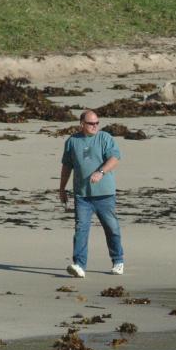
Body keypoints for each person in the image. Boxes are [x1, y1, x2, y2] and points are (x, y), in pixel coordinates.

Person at [59, 109, 123, 278]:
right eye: (91, 123)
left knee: (112, 228)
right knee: (81, 229)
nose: (95, 126)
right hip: (82, 195)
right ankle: (79, 265)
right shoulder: (72, 141)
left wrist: (100, 172)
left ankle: (118, 261)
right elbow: (67, 166)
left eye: (97, 123)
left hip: (105, 194)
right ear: (82, 124)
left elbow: (114, 158)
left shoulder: (105, 138)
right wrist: (62, 188)